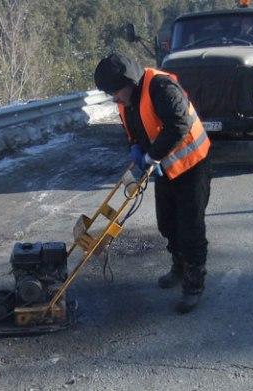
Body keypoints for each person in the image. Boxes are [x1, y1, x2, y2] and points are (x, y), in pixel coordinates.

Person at [93, 53, 212, 314]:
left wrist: (151, 156)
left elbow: (179, 125)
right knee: (167, 223)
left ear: (129, 82)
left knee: (190, 228)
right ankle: (179, 266)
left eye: (115, 91)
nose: (115, 98)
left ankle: (194, 283)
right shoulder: (127, 101)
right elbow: (134, 130)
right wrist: (136, 149)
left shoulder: (162, 87)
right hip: (166, 170)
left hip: (192, 166)